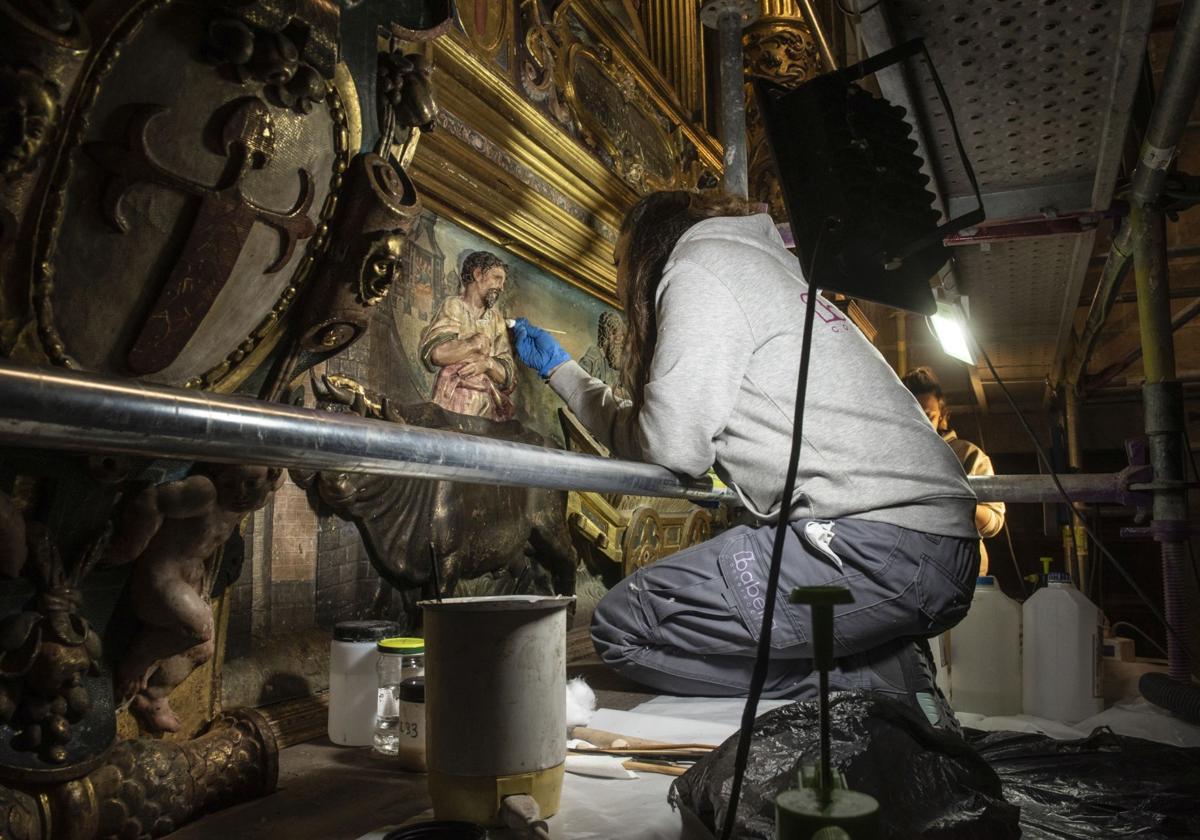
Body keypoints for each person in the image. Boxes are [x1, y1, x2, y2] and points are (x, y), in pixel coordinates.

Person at [510, 190, 980, 725]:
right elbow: (675, 423)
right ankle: (879, 663)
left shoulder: (700, 269)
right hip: (927, 544)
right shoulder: (766, 269)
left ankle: (861, 680)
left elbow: (672, 446)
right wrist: (566, 373)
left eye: (619, 263)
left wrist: (564, 375)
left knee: (625, 627)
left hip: (880, 544)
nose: (621, 280)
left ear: (647, 249)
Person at [901, 366, 1005, 574]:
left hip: (958, 574)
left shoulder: (968, 455)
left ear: (942, 415)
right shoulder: (890, 458)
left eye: (928, 416)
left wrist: (953, 499)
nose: (919, 423)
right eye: (910, 414)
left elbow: (994, 523)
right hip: (905, 572)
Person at [418, 250, 517, 421]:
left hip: (486, 404)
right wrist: (473, 343)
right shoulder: (454, 306)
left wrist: (487, 364)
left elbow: (507, 376)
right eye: (497, 278)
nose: (501, 287)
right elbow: (436, 354)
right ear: (478, 274)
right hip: (454, 397)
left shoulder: (496, 320)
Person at [577, 311, 629, 400]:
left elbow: (626, 393)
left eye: (621, 336)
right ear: (608, 335)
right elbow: (578, 383)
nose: (620, 341)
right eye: (618, 336)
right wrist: (609, 389)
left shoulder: (616, 363)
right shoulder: (594, 355)